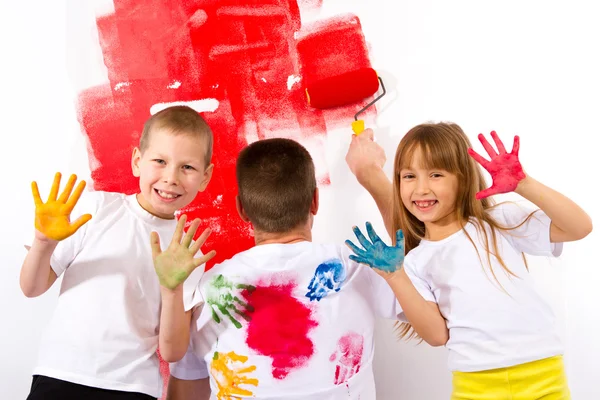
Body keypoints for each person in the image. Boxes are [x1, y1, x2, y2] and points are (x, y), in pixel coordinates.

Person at [345, 124, 593, 399]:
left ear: (462, 179)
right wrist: (395, 277)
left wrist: (525, 184)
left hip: (544, 376)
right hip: (475, 386)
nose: (421, 188)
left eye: (436, 174)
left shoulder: (499, 221)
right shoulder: (414, 261)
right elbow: (437, 336)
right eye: (409, 176)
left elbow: (579, 227)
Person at [164, 138, 412, 400]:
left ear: (241, 210)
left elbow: (185, 392)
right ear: (315, 201)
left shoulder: (207, 292)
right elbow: (427, 276)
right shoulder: (359, 266)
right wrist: (370, 174)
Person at [20, 106, 216, 400]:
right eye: (160, 161)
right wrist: (43, 242)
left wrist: (171, 288)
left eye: (187, 167)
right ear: (138, 161)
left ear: (205, 177)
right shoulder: (97, 210)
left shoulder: (185, 250)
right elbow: (31, 288)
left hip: (133, 387)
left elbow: (172, 351)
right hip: (61, 372)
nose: (171, 177)